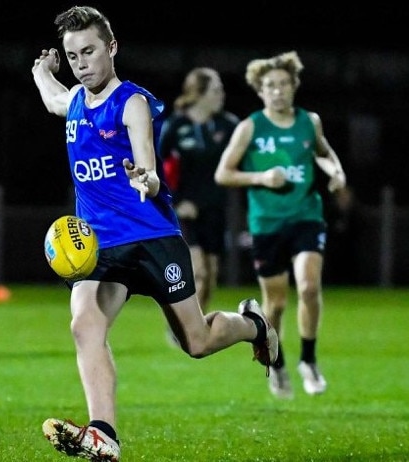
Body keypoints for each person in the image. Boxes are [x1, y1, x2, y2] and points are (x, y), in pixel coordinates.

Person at [31, 6, 278, 462]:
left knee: (196, 343)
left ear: (112, 48)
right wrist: (41, 71)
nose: (81, 63)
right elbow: (53, 97)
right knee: (85, 324)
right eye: (72, 55)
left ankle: (253, 325)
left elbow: (148, 165)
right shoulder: (77, 101)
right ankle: (104, 434)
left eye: (89, 51)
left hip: (151, 237)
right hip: (99, 245)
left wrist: (145, 179)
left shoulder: (133, 103)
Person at [214, 51, 347, 399]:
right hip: (266, 223)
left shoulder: (309, 121)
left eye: (284, 84)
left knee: (308, 287)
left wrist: (336, 171)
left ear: (294, 86)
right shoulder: (251, 127)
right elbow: (223, 173)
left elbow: (323, 152)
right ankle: (278, 363)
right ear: (261, 90)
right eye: (271, 86)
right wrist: (261, 176)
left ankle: (309, 360)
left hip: (306, 215)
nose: (278, 91)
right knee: (274, 303)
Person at [158, 67, 239, 320]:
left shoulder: (228, 125)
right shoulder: (176, 126)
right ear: (199, 93)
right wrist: (177, 201)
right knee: (198, 270)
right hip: (185, 211)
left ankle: (196, 329)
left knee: (211, 274)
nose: (222, 95)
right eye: (216, 90)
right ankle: (181, 324)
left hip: (214, 209)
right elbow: (155, 166)